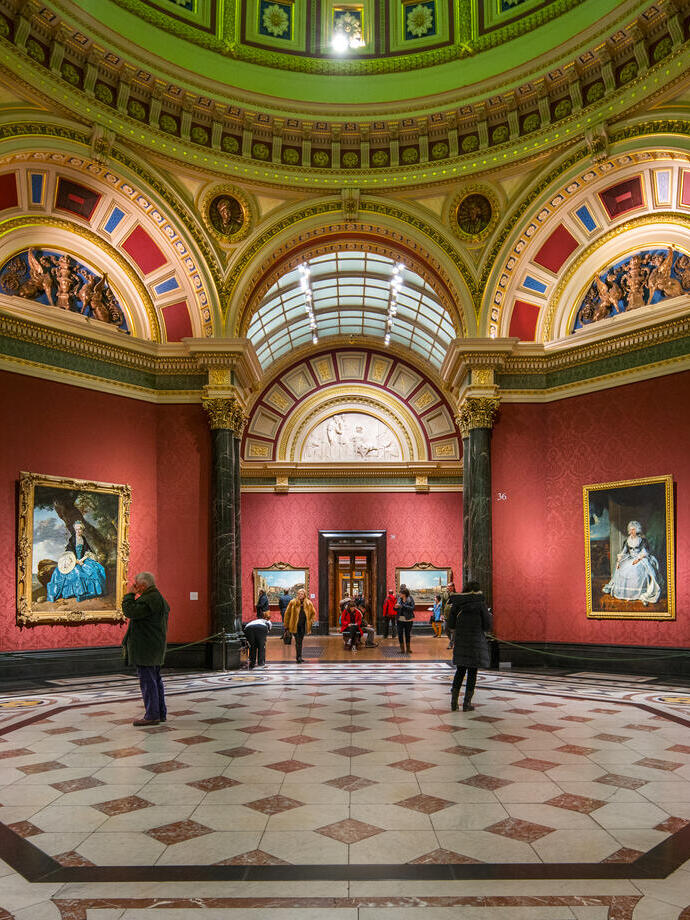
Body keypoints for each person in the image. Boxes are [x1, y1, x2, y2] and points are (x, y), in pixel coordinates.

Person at [122, 572, 170, 726]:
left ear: (143, 585)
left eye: (135, 584)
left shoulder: (149, 599)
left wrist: (129, 595)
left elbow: (130, 612)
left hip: (147, 647)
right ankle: (160, 713)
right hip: (153, 646)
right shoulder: (157, 597)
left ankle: (152, 715)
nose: (134, 586)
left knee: (148, 682)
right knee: (155, 680)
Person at [446, 580, 492, 712]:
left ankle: (454, 703)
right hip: (476, 641)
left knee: (460, 671)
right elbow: (487, 625)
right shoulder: (481, 604)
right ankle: (467, 704)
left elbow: (451, 624)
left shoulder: (457, 603)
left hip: (461, 640)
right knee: (472, 672)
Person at [46, 520, 107, 603]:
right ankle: (79, 592)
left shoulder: (83, 538)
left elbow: (88, 550)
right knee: (77, 573)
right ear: (74, 530)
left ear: (82, 530)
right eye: (77, 529)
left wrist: (82, 560)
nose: (78, 531)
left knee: (96, 569)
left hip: (82, 559)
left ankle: (93, 592)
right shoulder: (72, 539)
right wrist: (76, 561)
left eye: (80, 529)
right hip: (73, 560)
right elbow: (69, 551)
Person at [602, 520, 661, 605]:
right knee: (623, 567)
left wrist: (637, 560)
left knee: (636, 568)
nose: (632, 531)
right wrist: (619, 560)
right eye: (631, 529)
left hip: (641, 558)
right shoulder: (627, 541)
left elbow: (644, 552)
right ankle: (627, 593)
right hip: (630, 558)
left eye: (634, 529)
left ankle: (638, 593)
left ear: (637, 530)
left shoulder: (641, 540)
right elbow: (624, 551)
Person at [283, 588, 316, 663]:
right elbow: (287, 614)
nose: (300, 595)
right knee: (298, 641)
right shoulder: (293, 602)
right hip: (294, 625)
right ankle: (298, 657)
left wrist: (311, 621)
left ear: (304, 595)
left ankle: (299, 656)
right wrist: (286, 625)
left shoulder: (308, 603)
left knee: (300, 641)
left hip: (303, 626)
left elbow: (313, 613)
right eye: (298, 594)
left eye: (301, 594)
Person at [395, 587, 415, 654]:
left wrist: (402, 606)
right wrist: (395, 607)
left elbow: (412, 608)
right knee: (400, 634)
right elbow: (397, 608)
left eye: (400, 593)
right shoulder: (399, 599)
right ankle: (402, 649)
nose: (399, 594)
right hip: (400, 619)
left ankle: (408, 649)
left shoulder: (410, 598)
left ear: (404, 594)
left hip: (408, 619)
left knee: (407, 635)